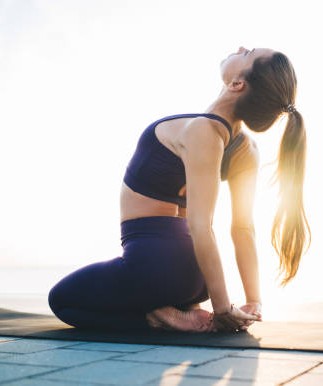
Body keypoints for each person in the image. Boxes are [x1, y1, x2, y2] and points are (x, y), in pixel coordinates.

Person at [48, 46, 311, 333]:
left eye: (247, 54)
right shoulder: (246, 148)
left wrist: (223, 309)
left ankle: (158, 317)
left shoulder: (202, 131)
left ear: (237, 84)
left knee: (62, 300)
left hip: (154, 263)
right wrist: (253, 300)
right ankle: (180, 307)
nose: (240, 48)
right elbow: (243, 230)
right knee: (122, 289)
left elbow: (201, 225)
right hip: (196, 281)